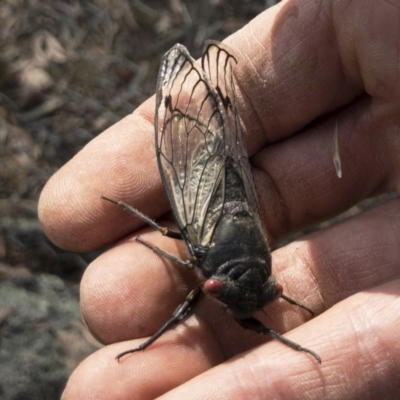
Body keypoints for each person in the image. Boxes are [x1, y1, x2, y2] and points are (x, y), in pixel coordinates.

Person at [39, 1, 400, 398]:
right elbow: (168, 238)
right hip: (209, 183)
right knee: (169, 204)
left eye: (213, 287)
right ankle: (148, 346)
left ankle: (148, 346)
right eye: (273, 290)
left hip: (209, 196)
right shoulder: (227, 264)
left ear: (211, 283)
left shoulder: (230, 264)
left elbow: (174, 244)